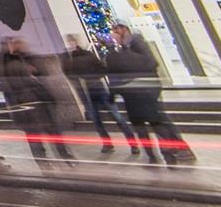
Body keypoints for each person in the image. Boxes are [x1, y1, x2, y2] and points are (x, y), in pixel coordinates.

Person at [105, 22, 196, 165]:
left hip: (148, 89)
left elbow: (151, 63)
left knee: (160, 121)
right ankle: (169, 152)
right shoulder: (124, 47)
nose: (114, 34)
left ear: (123, 30)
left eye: (116, 31)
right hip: (138, 92)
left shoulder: (136, 42)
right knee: (156, 122)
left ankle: (177, 150)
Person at [0, 37, 75, 166]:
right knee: (34, 135)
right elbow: (7, 84)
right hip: (25, 104)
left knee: (52, 130)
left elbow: (40, 73)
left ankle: (64, 155)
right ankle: (43, 161)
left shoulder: (23, 57)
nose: (18, 45)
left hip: (39, 100)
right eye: (13, 43)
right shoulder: (3, 62)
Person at [62, 34, 136, 155]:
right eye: (68, 42)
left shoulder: (87, 54)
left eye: (72, 41)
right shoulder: (67, 58)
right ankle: (107, 143)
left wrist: (92, 77)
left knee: (116, 116)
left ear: (76, 42)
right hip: (85, 91)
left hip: (97, 88)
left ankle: (132, 143)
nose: (70, 44)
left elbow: (101, 68)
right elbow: (67, 73)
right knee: (96, 120)